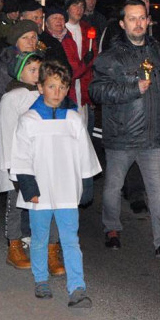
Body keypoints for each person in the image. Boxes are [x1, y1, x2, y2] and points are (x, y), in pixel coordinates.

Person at [90, 0, 160, 256]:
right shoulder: (111, 57)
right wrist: (132, 89)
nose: (138, 23)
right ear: (122, 23)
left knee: (157, 187)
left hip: (154, 134)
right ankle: (111, 229)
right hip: (122, 133)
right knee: (114, 185)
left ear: (148, 20)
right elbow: (96, 90)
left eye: (142, 18)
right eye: (132, 18)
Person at [11, 60, 100, 307]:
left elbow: (85, 154)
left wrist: (86, 185)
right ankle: (40, 279)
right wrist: (29, 188)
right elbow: (20, 156)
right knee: (40, 238)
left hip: (67, 191)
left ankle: (77, 288)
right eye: (51, 86)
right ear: (40, 87)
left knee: (70, 239)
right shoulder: (29, 119)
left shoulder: (72, 118)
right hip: (40, 191)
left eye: (62, 87)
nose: (57, 93)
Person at [0, 52, 44, 270]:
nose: (37, 74)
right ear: (20, 72)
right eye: (32, 70)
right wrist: (11, 167)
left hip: (39, 162)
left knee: (38, 205)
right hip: (17, 163)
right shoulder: (12, 98)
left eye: (39, 70)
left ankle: (38, 243)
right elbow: (6, 134)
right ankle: (13, 245)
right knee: (15, 206)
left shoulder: (42, 95)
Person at [0, 20, 40, 181]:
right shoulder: (2, 67)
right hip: (11, 131)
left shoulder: (43, 65)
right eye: (25, 38)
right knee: (13, 182)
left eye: (33, 37)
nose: (31, 42)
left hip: (36, 133)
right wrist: (12, 109)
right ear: (16, 41)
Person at [61, 0, 96, 131]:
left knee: (83, 125)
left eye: (82, 6)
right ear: (68, 8)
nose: (79, 9)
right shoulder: (61, 30)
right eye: (75, 5)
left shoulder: (87, 29)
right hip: (68, 84)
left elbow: (94, 59)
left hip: (83, 85)